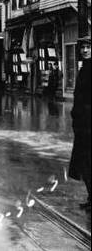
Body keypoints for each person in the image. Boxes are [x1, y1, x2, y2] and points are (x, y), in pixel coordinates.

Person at [69, 35, 91, 211]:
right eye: (82, 47)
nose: (85, 50)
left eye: (88, 47)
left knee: (88, 162)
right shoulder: (84, 68)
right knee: (84, 163)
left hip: (89, 124)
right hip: (83, 125)